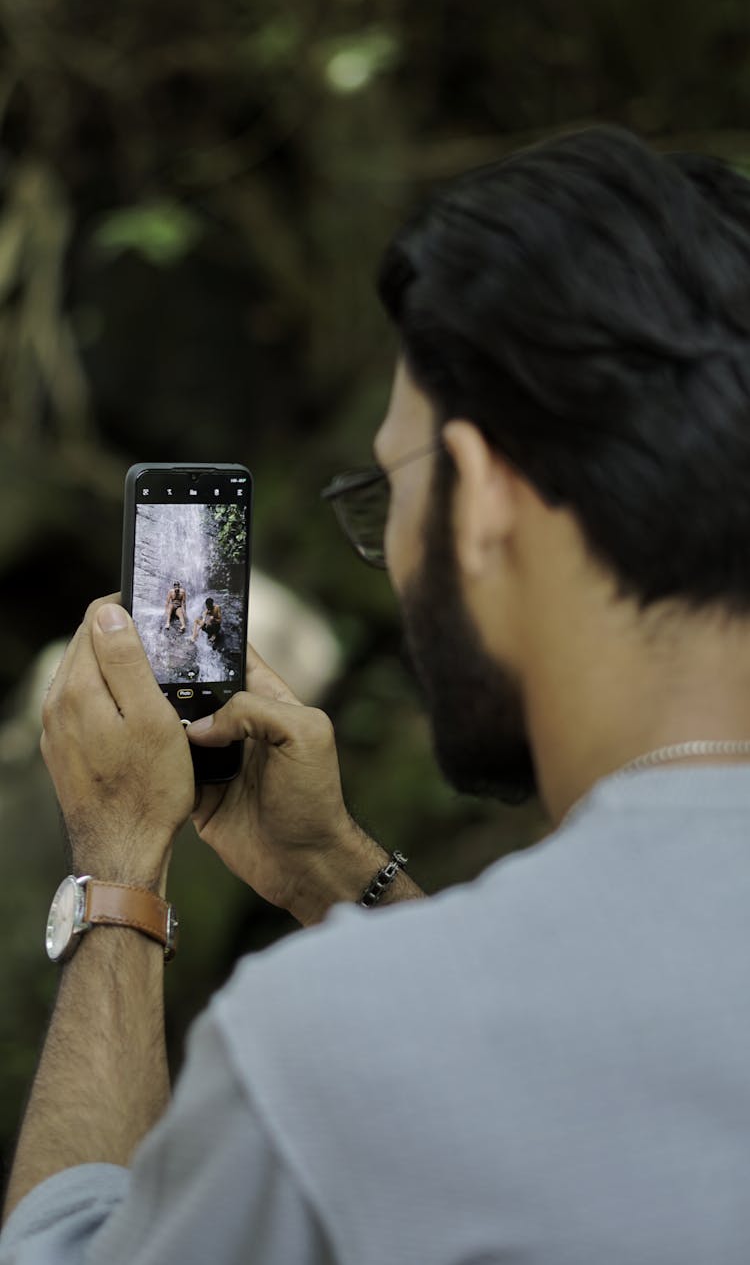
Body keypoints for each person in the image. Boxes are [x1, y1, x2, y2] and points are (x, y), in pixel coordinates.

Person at [4, 125, 750, 1264]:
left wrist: (115, 880)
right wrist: (330, 870)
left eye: (383, 489)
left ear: (487, 498)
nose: (387, 551)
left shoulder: (322, 1059)